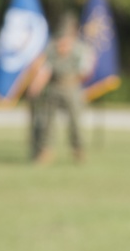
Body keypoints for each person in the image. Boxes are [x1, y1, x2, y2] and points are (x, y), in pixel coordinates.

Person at [28, 12, 95, 164]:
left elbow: (85, 71)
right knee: (47, 122)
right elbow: (45, 69)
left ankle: (79, 150)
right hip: (53, 87)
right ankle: (45, 151)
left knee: (75, 123)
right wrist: (36, 86)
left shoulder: (80, 49)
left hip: (71, 87)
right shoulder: (51, 48)